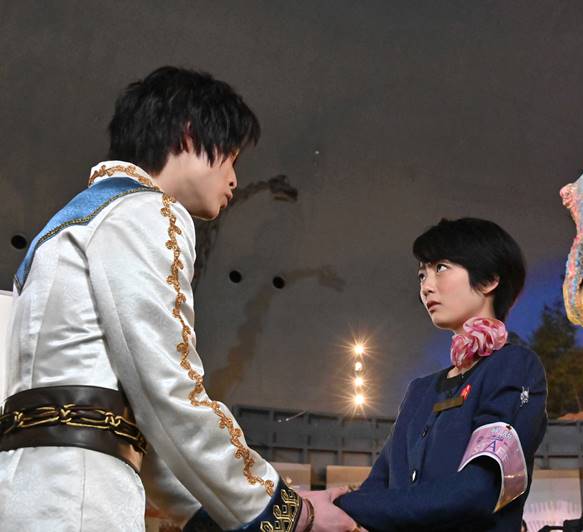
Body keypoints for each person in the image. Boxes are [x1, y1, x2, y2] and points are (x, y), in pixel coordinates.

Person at [0, 66, 355, 532]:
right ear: (189, 135)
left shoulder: (66, 226)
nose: (234, 179)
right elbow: (170, 393)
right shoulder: (147, 210)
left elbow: (125, 421)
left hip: (26, 490)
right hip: (82, 500)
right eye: (230, 158)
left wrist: (237, 509)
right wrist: (288, 513)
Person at [335, 218, 548, 530]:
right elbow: (377, 485)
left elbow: (477, 491)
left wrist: (340, 504)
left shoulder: (515, 366)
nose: (426, 287)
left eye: (441, 268)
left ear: (489, 279)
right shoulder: (419, 391)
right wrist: (323, 509)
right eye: (422, 274)